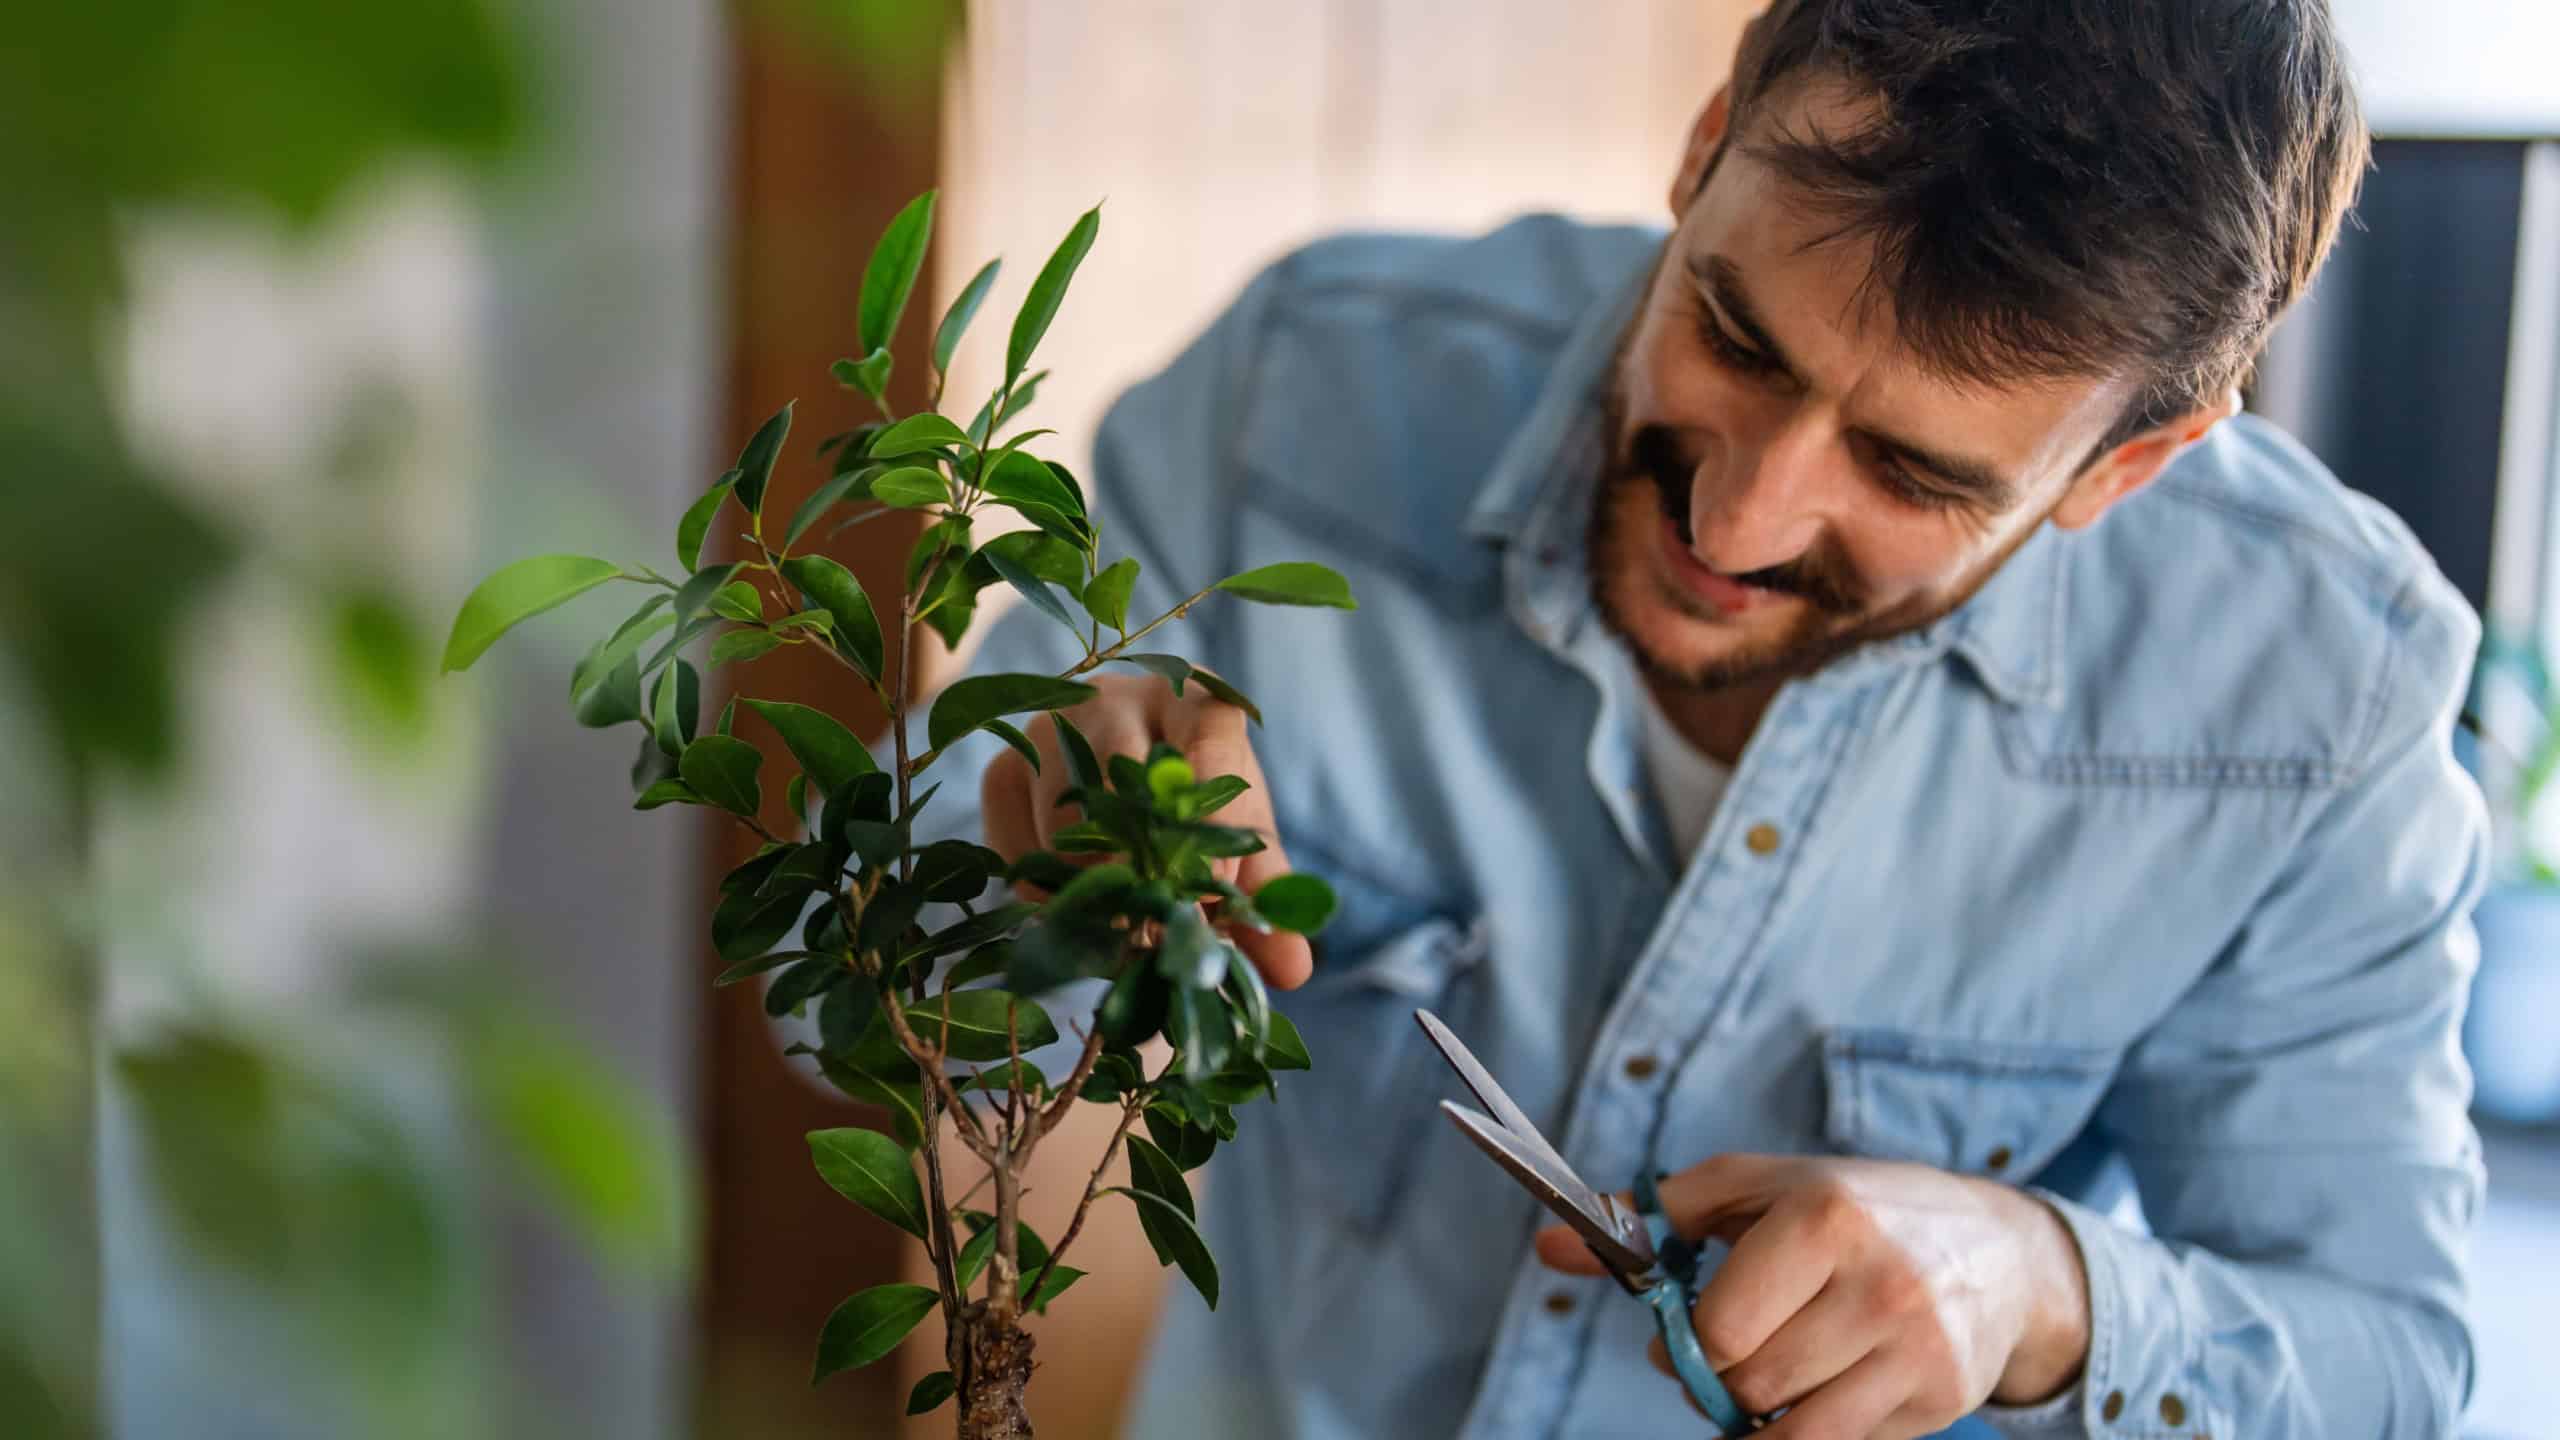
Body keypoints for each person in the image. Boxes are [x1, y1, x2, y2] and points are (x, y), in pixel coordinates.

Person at [930, 2, 2487, 1435]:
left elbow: (2388, 1364)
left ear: (2125, 465)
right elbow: (836, 996)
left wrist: (2041, 1291)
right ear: (1709, 137)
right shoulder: (1299, 396)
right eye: (1737, 340)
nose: (1737, 523)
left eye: (1912, 472)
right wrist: (1015, 846)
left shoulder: (2320, 692)